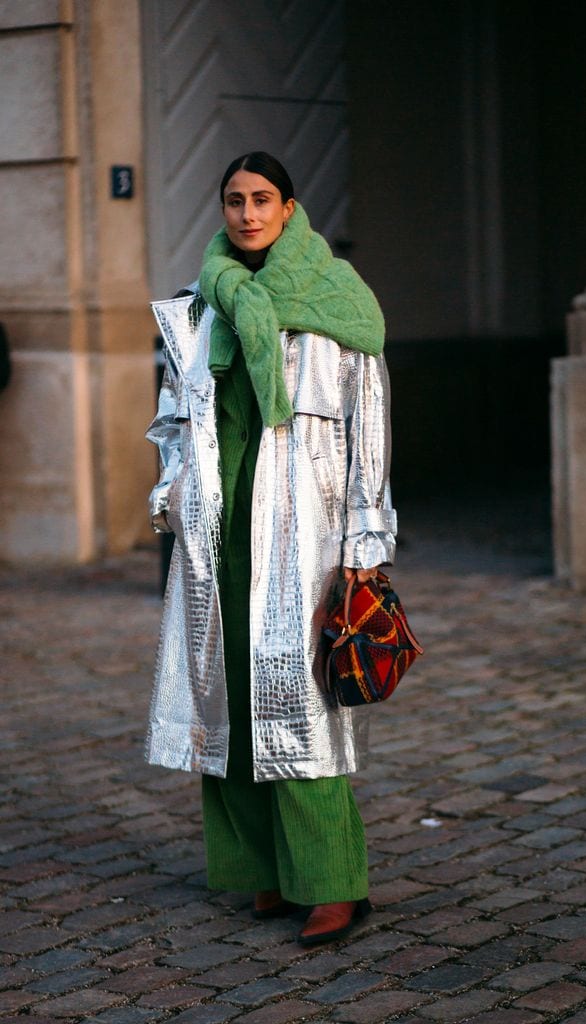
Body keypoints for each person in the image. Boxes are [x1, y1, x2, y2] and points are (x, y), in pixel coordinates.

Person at [145, 152, 396, 946]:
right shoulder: (197, 309)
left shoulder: (337, 301)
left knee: (302, 706)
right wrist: (174, 496)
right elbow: (173, 421)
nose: (247, 214)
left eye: (262, 200)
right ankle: (262, 870)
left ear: (289, 208)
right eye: (233, 201)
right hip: (220, 532)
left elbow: (370, 430)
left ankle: (331, 885)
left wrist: (365, 542)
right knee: (228, 701)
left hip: (305, 532)